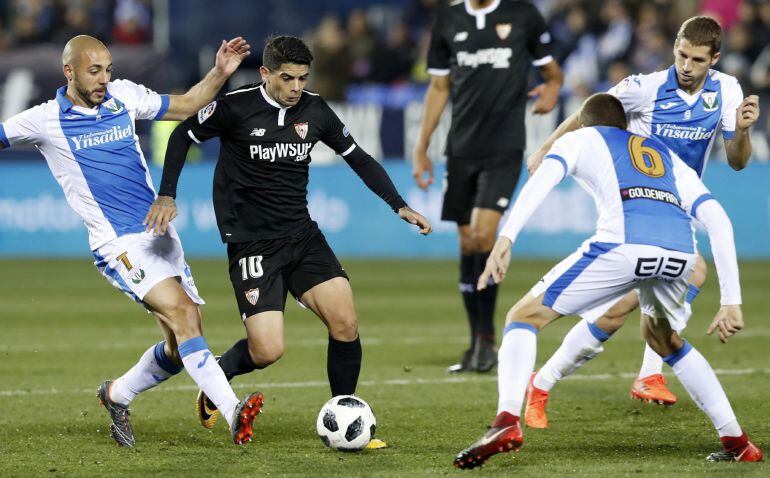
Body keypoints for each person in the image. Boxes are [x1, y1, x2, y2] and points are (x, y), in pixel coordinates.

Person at [143, 35, 432, 447]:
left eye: (302, 78)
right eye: (287, 78)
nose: (296, 87)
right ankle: (220, 374)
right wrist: (167, 193)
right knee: (267, 350)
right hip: (252, 244)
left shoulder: (316, 110)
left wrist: (398, 204)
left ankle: (345, 413)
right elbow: (181, 136)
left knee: (346, 322)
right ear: (265, 73)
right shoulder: (235, 106)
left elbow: (359, 158)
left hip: (302, 235)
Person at [453, 93, 763, 469]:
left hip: (624, 245)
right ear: (624, 125)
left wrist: (506, 238)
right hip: (681, 254)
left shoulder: (580, 137)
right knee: (664, 339)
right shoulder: (661, 152)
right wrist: (732, 300)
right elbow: (718, 219)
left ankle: (506, 422)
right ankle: (738, 443)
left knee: (523, 316)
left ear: (586, 122)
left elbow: (543, 179)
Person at [0, 35, 264, 447]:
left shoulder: (124, 96)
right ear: (69, 72)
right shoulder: (44, 119)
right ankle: (233, 410)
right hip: (117, 244)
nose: (104, 78)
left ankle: (117, 394)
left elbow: (186, 105)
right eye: (94, 71)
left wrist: (220, 72)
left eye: (108, 69)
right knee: (184, 314)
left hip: (158, 234)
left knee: (179, 348)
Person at [524, 16, 761, 427]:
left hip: (680, 206)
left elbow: (739, 162)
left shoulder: (727, 91)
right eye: (681, 55)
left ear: (715, 59)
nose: (687, 65)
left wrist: (741, 131)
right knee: (691, 273)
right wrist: (547, 146)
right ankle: (641, 372)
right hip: (634, 205)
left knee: (621, 309)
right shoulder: (643, 88)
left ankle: (549, 383)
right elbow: (588, 114)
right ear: (675, 47)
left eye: (697, 59)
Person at [413, 0, 563, 373]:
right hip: (461, 149)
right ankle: (476, 342)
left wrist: (552, 89)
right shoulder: (448, 19)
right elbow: (438, 85)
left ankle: (486, 340)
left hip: (504, 148)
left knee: (483, 234)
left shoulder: (523, 15)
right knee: (467, 241)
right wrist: (422, 147)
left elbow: (553, 72)